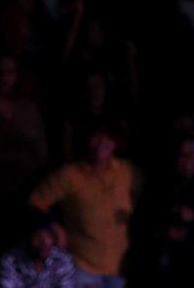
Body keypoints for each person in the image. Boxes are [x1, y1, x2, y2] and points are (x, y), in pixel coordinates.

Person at [29, 121, 141, 287]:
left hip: (120, 267)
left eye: (107, 138)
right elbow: (36, 202)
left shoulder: (127, 171)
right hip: (84, 267)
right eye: (96, 136)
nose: (102, 142)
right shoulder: (69, 175)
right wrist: (53, 227)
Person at [0, 211, 77, 287]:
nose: (45, 242)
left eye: (48, 236)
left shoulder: (62, 261)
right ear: (28, 237)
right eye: (39, 237)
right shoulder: (11, 261)